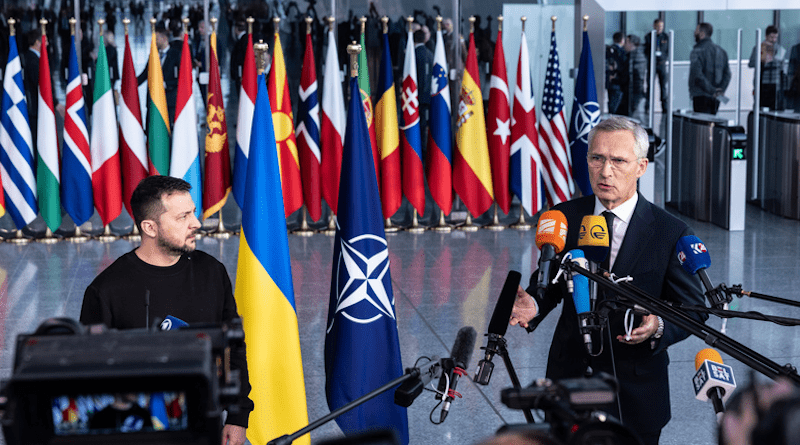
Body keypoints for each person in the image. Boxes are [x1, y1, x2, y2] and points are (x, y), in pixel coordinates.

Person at [509, 117, 707, 445]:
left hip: (637, 390)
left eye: (618, 161)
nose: (605, 171)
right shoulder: (564, 217)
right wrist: (533, 303)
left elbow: (695, 309)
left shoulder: (670, 232)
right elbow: (551, 284)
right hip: (570, 379)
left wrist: (658, 326)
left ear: (641, 166)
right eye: (597, 158)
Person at [80, 176, 252, 445]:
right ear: (150, 227)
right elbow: (89, 376)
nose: (196, 223)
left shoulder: (212, 272)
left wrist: (237, 416)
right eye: (183, 217)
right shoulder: (105, 291)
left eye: (193, 212)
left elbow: (234, 349)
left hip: (205, 422)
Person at [689, 22, 731, 115]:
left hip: (700, 95)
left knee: (701, 126)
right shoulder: (721, 51)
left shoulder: (697, 51)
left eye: (696, 31)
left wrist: (712, 91)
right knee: (713, 124)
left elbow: (697, 75)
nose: (694, 33)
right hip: (716, 97)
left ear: (702, 34)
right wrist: (719, 91)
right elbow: (727, 74)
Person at [748, 25, 787, 110]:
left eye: (775, 37)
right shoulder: (758, 48)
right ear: (766, 36)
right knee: (760, 107)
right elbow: (750, 64)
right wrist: (762, 60)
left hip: (775, 84)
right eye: (771, 37)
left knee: (774, 108)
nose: (773, 40)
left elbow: (782, 68)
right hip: (762, 83)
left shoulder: (779, 49)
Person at [643, 19, 669, 112]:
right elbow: (645, 50)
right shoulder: (649, 37)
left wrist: (663, 58)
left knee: (663, 86)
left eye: (661, 27)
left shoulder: (666, 37)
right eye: (658, 26)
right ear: (654, 26)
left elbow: (668, 51)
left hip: (661, 64)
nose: (659, 29)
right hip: (652, 64)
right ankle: (648, 106)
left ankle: (664, 107)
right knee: (650, 85)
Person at [624, 34, 647, 121]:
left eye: (626, 42)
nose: (624, 45)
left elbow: (638, 76)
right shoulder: (631, 55)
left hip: (635, 90)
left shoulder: (638, 56)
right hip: (632, 90)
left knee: (634, 115)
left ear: (631, 43)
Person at [606, 32, 627, 115]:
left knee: (611, 100)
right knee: (616, 103)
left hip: (609, 80)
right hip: (618, 80)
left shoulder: (608, 49)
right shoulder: (621, 51)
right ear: (622, 40)